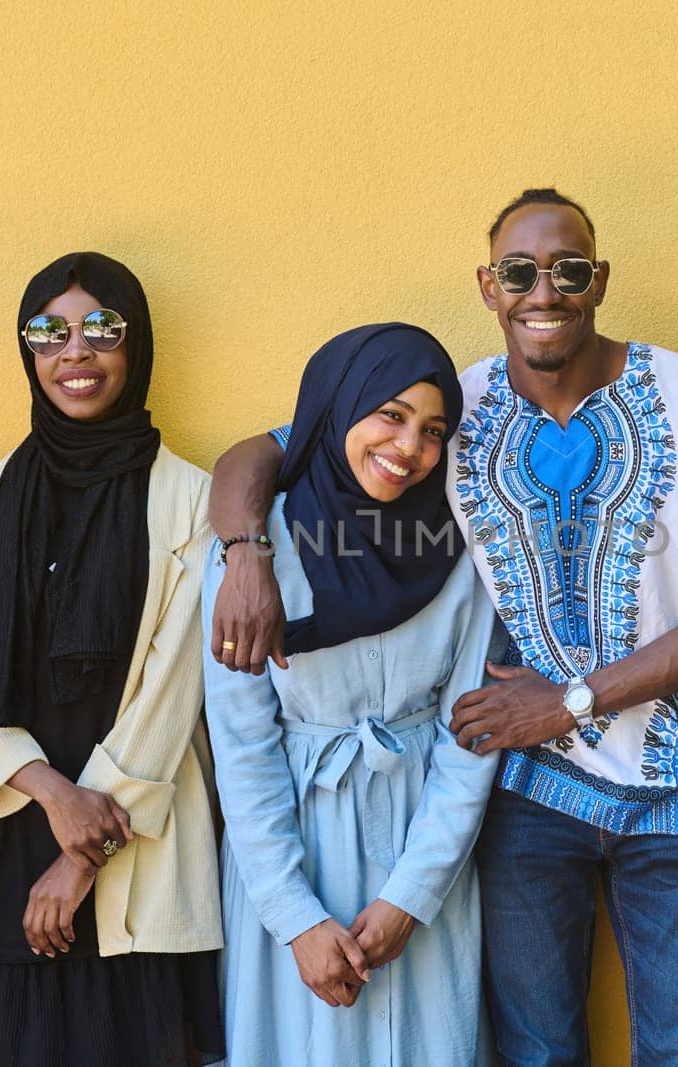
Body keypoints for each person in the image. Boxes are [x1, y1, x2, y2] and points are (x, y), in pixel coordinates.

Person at [208, 190, 678, 1065]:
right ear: (489, 286)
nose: (543, 290)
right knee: (538, 1051)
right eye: (519, 271)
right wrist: (247, 552)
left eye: (566, 270)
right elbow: (265, 451)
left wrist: (575, 701)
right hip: (529, 801)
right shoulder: (457, 410)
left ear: (598, 279)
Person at [0, 252, 223, 1067]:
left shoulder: (190, 496)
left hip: (133, 840)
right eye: (48, 331)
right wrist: (52, 795)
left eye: (102, 328)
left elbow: (175, 687)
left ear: (136, 343)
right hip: (5, 834)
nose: (74, 351)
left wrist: (84, 852)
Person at [204, 322, 499, 1066]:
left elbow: (470, 735)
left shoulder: (459, 544)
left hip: (422, 845)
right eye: (390, 414)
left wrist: (412, 897)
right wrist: (297, 918)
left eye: (434, 430)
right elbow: (243, 746)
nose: (409, 448)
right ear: (341, 408)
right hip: (293, 847)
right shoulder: (255, 551)